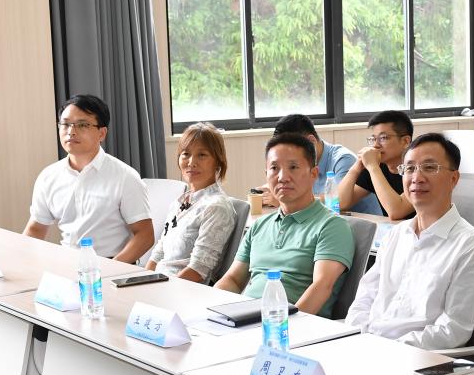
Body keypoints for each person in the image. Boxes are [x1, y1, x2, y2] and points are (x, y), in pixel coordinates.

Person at [346, 133, 474, 349]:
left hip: (414, 357)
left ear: (454, 179)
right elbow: (365, 298)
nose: (417, 177)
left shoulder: (472, 247)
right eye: (409, 168)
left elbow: (453, 330)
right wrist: (357, 338)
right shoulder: (396, 234)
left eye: (429, 167)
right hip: (365, 345)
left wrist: (388, 348)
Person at [216, 133, 354, 318]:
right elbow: (233, 279)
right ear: (266, 175)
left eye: (293, 167)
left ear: (314, 174)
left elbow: (322, 287)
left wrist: (277, 327)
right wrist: (212, 311)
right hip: (245, 319)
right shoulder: (260, 225)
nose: (282, 177)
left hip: (289, 326)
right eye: (274, 168)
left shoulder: (332, 226)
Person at [24, 94, 153, 263]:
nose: (71, 131)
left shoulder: (125, 177)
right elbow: (35, 229)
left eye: (82, 125)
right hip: (66, 264)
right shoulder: (48, 176)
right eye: (65, 124)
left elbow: (145, 235)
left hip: (113, 264)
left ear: (102, 133)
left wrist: (110, 270)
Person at [145, 122, 237, 284]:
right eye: (186, 154)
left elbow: (198, 270)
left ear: (218, 161)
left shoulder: (216, 207)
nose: (191, 162)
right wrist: (142, 281)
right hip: (159, 284)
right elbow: (158, 255)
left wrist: (158, 290)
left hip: (183, 289)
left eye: (202, 155)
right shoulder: (178, 203)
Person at [258, 114, 381, 215]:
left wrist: (288, 200)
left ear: (311, 141)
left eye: (291, 149)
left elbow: (339, 202)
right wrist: (269, 192)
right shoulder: (303, 163)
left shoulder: (343, 159)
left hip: (363, 227)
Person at [337, 110, 415, 220]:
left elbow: (396, 211)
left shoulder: (419, 169)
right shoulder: (377, 166)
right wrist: (356, 167)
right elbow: (339, 203)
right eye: (373, 139)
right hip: (394, 229)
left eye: (383, 138)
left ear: (405, 141)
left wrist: (372, 167)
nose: (376, 145)